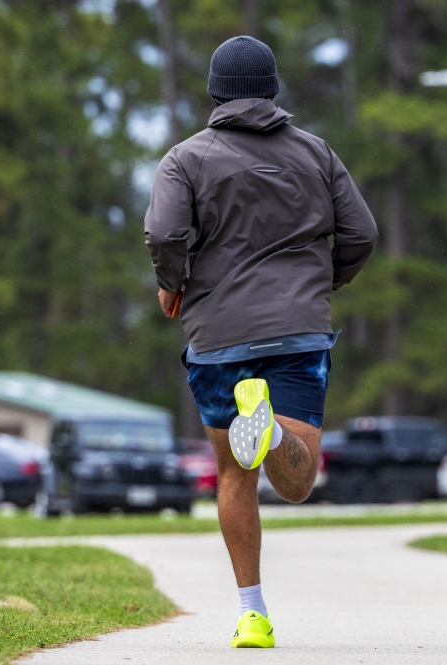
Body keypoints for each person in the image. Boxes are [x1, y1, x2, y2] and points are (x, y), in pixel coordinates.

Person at [144, 36, 378, 649]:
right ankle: (271, 430)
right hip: (299, 330)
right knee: (297, 484)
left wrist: (173, 284)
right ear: (273, 89)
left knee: (233, 475)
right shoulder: (317, 153)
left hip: (219, 337)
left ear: (215, 93)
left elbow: (164, 231)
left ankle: (253, 614)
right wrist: (323, 282)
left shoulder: (184, 159)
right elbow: (362, 232)